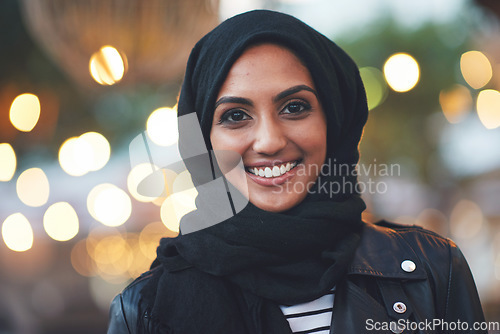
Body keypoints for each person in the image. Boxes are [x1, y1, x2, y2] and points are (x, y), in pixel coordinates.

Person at [107, 10, 486, 334]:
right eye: (235, 116)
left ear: (334, 123)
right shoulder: (144, 310)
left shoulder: (431, 270)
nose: (269, 141)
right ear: (203, 143)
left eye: (294, 107)